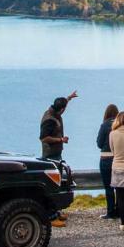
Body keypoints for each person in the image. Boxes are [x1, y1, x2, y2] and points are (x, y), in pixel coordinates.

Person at [39, 90, 78, 227]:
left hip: (56, 154)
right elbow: (43, 138)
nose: (64, 111)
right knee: (52, 185)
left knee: (58, 183)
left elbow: (62, 105)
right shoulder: (49, 119)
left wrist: (69, 98)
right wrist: (60, 139)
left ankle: (56, 212)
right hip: (50, 155)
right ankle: (51, 216)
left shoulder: (54, 112)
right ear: (60, 109)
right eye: (64, 109)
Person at [96, 104, 119, 220]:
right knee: (119, 186)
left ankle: (110, 212)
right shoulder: (120, 125)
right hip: (119, 159)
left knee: (109, 187)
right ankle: (120, 210)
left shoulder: (104, 125)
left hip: (106, 159)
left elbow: (99, 143)